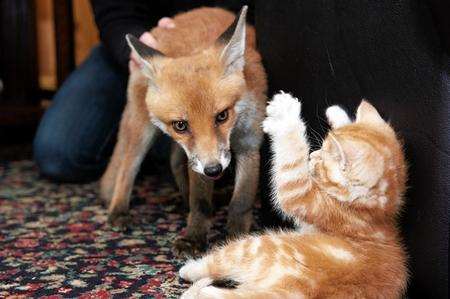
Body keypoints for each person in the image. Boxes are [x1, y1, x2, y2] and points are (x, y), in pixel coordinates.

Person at [33, 1, 249, 182]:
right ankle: (144, 149)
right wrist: (135, 42)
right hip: (144, 49)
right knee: (58, 156)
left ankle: (155, 150)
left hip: (218, 51)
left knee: (206, 168)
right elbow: (113, 10)